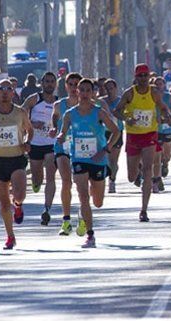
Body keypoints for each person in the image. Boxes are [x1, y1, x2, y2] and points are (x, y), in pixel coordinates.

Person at [57, 78, 120, 248]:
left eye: (87, 90)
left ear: (93, 93)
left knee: (97, 202)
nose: (84, 94)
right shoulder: (69, 113)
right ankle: (90, 235)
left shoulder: (99, 112)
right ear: (76, 92)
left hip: (98, 159)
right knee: (83, 195)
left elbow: (116, 131)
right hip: (79, 158)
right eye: (81, 90)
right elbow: (62, 133)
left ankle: (85, 212)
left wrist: (105, 149)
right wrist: (60, 136)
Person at [116, 64, 171, 222]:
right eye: (140, 76)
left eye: (145, 76)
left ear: (149, 77)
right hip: (133, 136)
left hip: (149, 135)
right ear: (135, 77)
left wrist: (167, 115)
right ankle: (138, 170)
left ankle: (144, 210)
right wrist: (127, 119)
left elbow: (162, 107)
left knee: (149, 170)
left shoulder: (153, 92)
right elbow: (117, 110)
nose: (142, 79)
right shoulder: (129, 93)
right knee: (131, 176)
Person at [0, 79, 33, 250]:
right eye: (1, 89)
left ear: (13, 92)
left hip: (17, 158)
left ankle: (18, 205)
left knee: (20, 194)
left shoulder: (21, 112)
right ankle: (10, 236)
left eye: (8, 89)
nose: (4, 92)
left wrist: (27, 142)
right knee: (3, 204)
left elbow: (29, 131)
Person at [22, 72, 58, 226]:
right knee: (37, 177)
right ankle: (36, 183)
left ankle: (46, 209)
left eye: (52, 81)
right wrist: (31, 123)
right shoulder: (34, 99)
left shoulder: (58, 102)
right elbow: (20, 113)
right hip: (35, 143)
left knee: (51, 175)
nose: (49, 84)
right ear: (42, 83)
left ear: (56, 84)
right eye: (47, 81)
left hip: (52, 143)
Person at [50, 73, 82, 235]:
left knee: (81, 183)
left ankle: (83, 216)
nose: (74, 87)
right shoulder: (58, 105)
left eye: (77, 84)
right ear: (66, 86)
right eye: (71, 84)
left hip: (83, 149)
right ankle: (66, 220)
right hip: (63, 147)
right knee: (66, 182)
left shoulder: (89, 106)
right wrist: (54, 129)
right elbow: (54, 119)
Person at [153, 77, 171, 187]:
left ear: (164, 85)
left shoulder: (170, 96)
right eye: (156, 84)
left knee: (167, 154)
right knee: (157, 155)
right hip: (156, 129)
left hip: (168, 128)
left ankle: (165, 164)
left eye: (161, 84)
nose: (159, 86)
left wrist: (169, 113)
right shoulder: (151, 97)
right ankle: (158, 179)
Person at [100, 79, 124, 193]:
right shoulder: (101, 101)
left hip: (117, 132)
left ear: (116, 88)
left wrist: (119, 114)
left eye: (111, 88)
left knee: (113, 159)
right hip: (103, 132)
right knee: (106, 159)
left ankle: (112, 180)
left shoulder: (121, 101)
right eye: (107, 89)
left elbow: (125, 115)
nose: (109, 91)